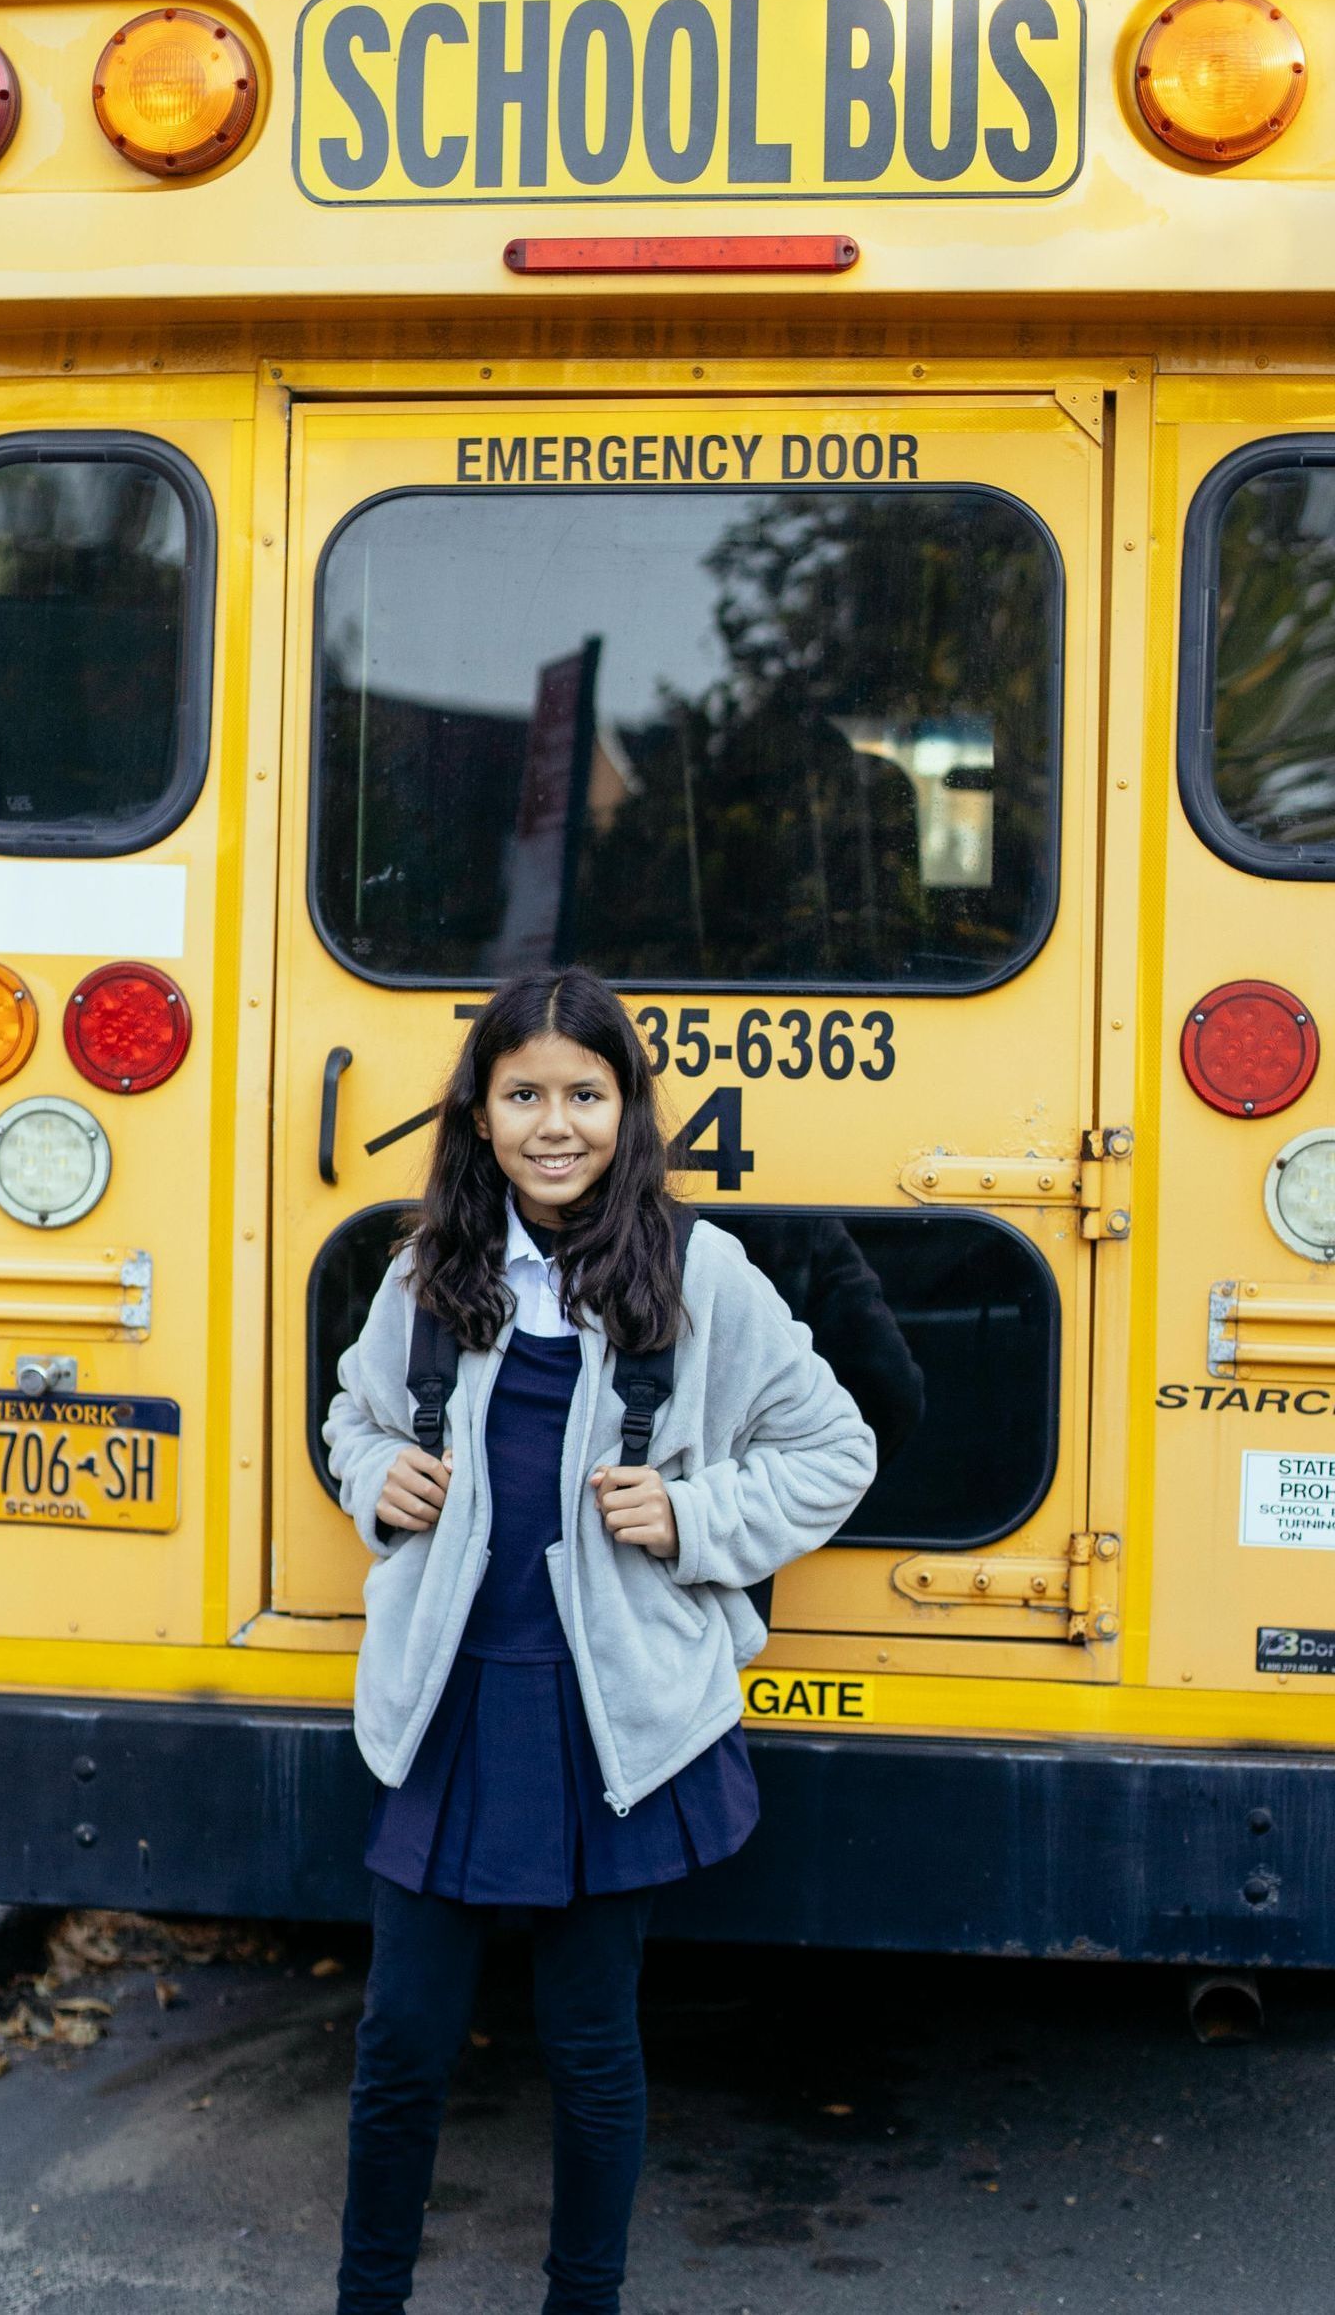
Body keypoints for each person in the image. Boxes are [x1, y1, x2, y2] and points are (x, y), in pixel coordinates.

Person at [323, 965, 877, 2315]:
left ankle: (585, 2299)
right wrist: (372, 1475)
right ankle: (366, 2297)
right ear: (479, 1111)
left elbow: (834, 1448)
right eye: (523, 1094)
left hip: (608, 1713)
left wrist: (692, 1513)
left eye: (585, 1092)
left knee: (588, 2042)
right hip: (448, 1700)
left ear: (631, 1111)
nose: (553, 1122)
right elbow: (357, 1412)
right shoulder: (427, 1267)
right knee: (400, 2038)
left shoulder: (702, 1276)